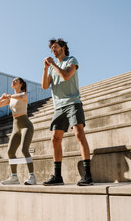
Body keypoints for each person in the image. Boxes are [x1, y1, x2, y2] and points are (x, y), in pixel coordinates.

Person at [41, 38, 93, 186]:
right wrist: (46, 68)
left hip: (73, 102)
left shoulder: (71, 60)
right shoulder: (51, 67)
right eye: (52, 48)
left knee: (79, 134)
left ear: (63, 47)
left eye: (56, 47)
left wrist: (52, 63)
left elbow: (65, 76)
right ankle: (58, 176)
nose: (53, 50)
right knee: (55, 139)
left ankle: (87, 175)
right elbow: (45, 86)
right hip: (58, 106)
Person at [0, 77, 36, 185]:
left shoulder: (24, 94)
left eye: (16, 80)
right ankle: (14, 177)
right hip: (15, 127)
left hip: (26, 125)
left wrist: (9, 96)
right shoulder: (11, 98)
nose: (13, 81)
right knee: (10, 151)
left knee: (24, 149)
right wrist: (2, 97)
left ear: (21, 84)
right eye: (13, 80)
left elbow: (21, 96)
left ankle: (32, 176)